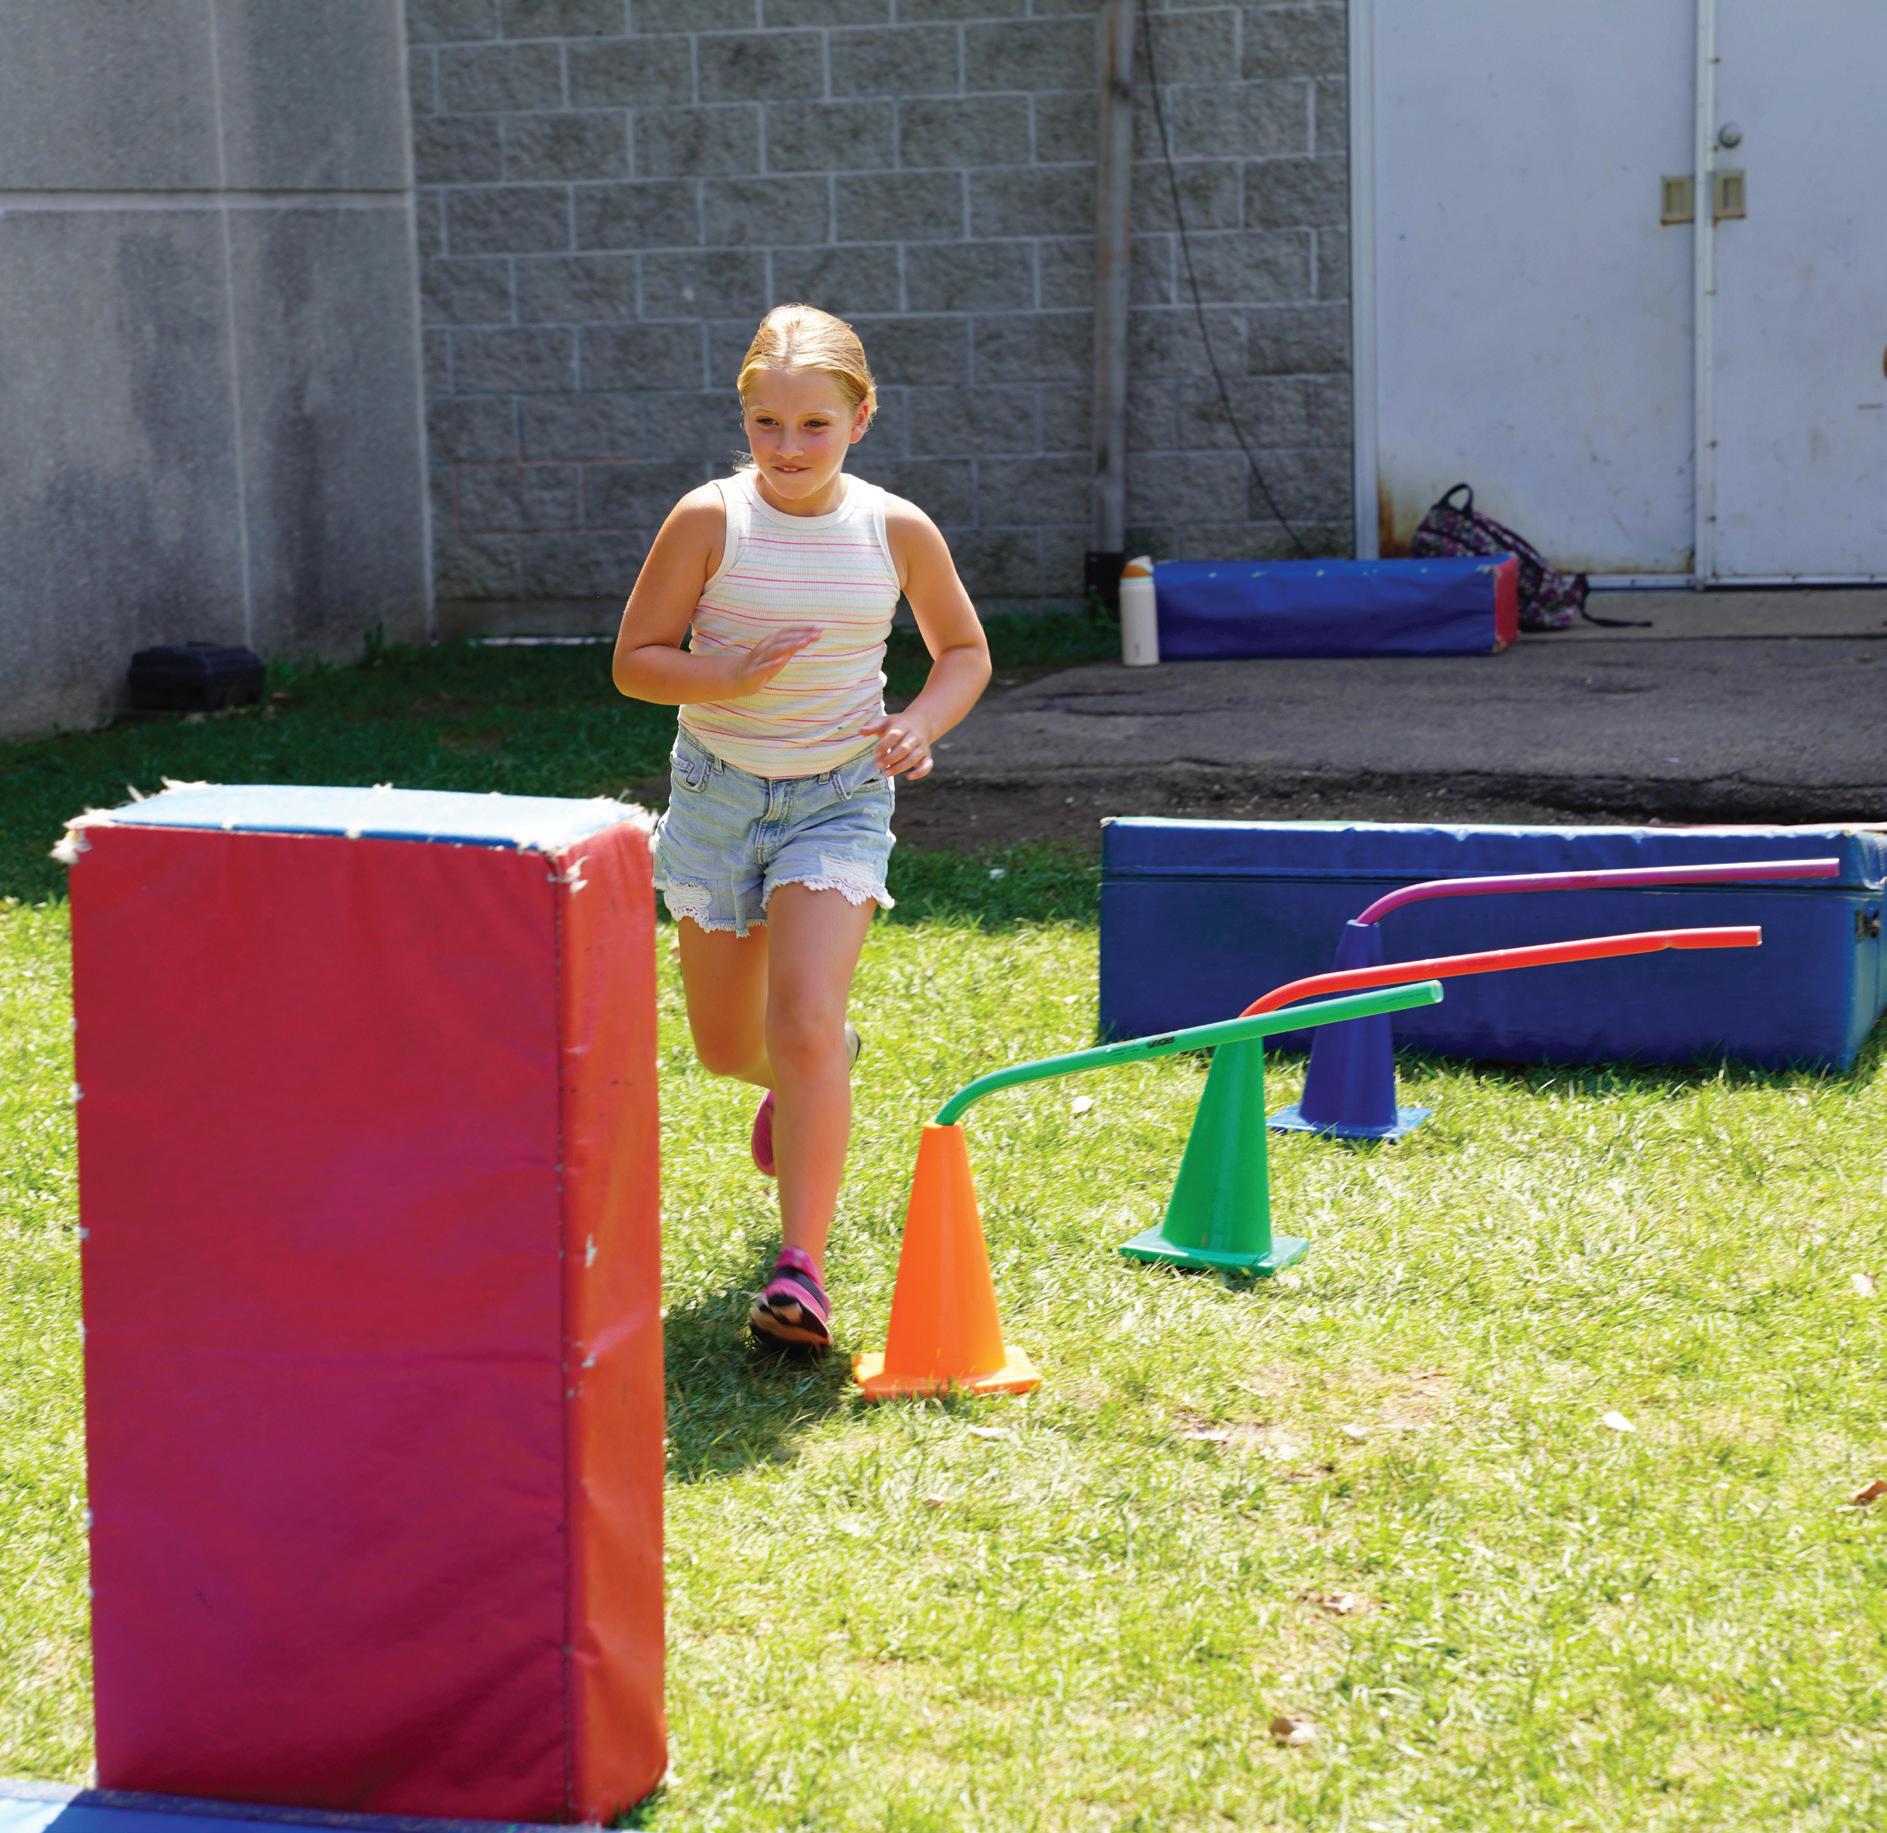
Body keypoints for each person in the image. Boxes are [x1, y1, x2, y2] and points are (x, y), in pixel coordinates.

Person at [611, 304, 992, 1354]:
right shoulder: (709, 520)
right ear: (744, 420)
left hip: (839, 796)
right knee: (729, 1046)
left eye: (814, 424)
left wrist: (919, 723)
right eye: (767, 424)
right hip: (718, 798)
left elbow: (963, 652)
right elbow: (635, 661)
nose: (788, 447)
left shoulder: (894, 529)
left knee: (804, 1018)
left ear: (861, 419)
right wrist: (723, 674)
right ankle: (816, 1064)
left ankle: (801, 1271)